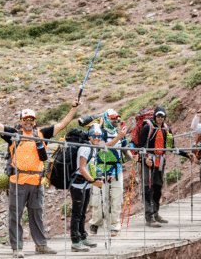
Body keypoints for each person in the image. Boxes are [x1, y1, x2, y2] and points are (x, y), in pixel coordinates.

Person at [0, 98, 80, 258]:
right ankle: (17, 248)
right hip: (18, 182)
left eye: (31, 119)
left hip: (36, 182)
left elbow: (62, 125)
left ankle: (41, 245)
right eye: (26, 119)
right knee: (15, 215)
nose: (28, 122)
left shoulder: (42, 134)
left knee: (37, 214)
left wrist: (73, 109)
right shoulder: (13, 134)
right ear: (21, 120)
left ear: (35, 121)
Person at [137, 106, 190, 227]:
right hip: (148, 161)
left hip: (160, 161)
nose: (160, 118)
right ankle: (149, 217)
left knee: (158, 188)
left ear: (164, 117)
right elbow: (140, 146)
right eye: (158, 116)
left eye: (162, 116)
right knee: (148, 188)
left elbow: (171, 147)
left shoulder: (167, 129)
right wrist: (145, 158)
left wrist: (186, 154)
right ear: (154, 116)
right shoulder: (147, 127)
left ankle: (155, 213)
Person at [89, 109, 133, 237]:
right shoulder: (100, 132)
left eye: (117, 118)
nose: (115, 120)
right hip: (100, 168)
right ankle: (95, 223)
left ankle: (115, 225)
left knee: (117, 198)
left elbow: (125, 148)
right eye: (113, 118)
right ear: (106, 118)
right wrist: (118, 137)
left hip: (116, 168)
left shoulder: (120, 132)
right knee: (98, 198)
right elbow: (102, 147)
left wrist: (132, 157)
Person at [69, 123, 104, 252]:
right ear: (89, 136)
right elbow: (82, 168)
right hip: (78, 184)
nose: (97, 138)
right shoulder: (85, 148)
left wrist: (99, 177)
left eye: (99, 136)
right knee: (77, 213)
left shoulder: (93, 148)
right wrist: (93, 181)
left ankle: (83, 236)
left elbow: (91, 167)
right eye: (94, 135)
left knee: (83, 212)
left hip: (86, 184)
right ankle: (75, 240)